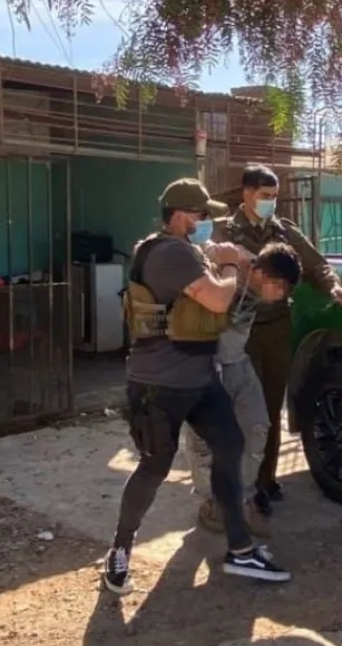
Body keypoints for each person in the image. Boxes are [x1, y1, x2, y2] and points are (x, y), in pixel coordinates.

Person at [103, 177, 290, 595]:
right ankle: (120, 550)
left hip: (199, 378)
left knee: (230, 445)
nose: (207, 221)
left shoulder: (186, 250)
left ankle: (240, 549)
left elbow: (213, 264)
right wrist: (229, 264)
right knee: (155, 466)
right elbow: (218, 300)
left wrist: (229, 255)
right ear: (178, 216)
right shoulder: (169, 253)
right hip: (159, 384)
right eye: (200, 215)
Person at [213, 164, 342, 513]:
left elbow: (316, 264)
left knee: (271, 406)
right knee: (240, 409)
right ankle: (234, 483)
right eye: (265, 196)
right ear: (247, 194)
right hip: (238, 331)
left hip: (275, 329)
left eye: (274, 197)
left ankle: (265, 480)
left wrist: (332, 286)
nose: (271, 203)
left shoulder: (284, 231)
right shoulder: (223, 231)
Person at [184, 241, 302, 533]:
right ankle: (211, 503)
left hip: (237, 361)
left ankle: (241, 499)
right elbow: (208, 251)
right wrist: (221, 256)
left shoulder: (256, 271)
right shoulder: (231, 267)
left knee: (257, 426)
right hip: (205, 363)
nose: (281, 294)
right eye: (279, 286)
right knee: (204, 439)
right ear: (261, 275)